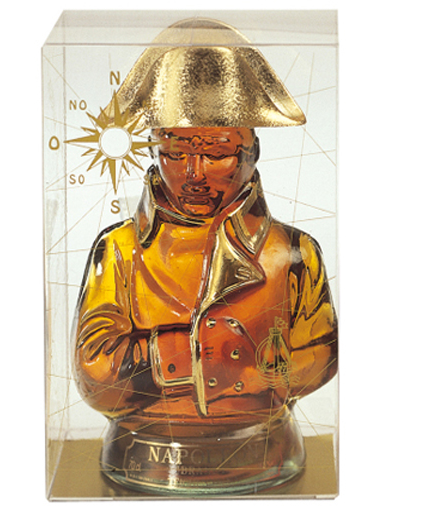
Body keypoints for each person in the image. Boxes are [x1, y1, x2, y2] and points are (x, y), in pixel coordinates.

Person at [72, 18, 337, 493]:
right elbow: (95, 375)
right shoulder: (119, 252)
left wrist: (252, 371)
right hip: (142, 455)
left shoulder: (293, 255)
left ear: (251, 152)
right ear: (155, 151)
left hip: (267, 450)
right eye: (175, 152)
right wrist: (194, 356)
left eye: (215, 152)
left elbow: (321, 355)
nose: (194, 173)